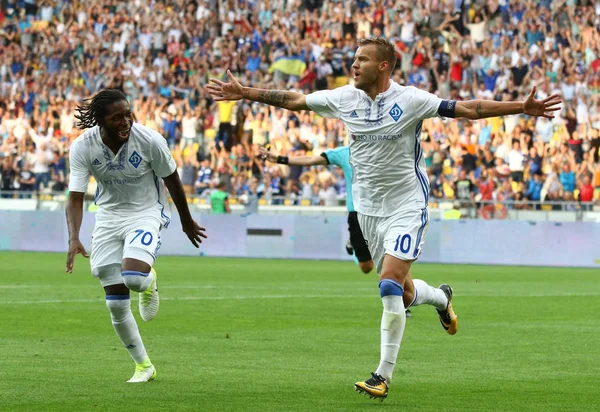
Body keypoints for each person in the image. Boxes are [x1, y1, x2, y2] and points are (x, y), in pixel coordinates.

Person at [206, 37, 561, 401]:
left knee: (389, 285)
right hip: (369, 211)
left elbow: (468, 108)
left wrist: (521, 106)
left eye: (362, 59)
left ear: (383, 66)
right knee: (403, 292)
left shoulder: (410, 100)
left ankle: (382, 376)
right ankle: (441, 298)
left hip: (407, 203)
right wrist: (244, 92)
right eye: (354, 59)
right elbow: (294, 100)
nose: (354, 65)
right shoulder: (344, 98)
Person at [65, 89, 207, 383]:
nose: (125, 121)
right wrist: (73, 237)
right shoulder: (82, 147)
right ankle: (144, 366)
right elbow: (75, 196)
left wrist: (186, 220)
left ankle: (149, 279)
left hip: (145, 212)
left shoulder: (150, 140)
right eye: (117, 117)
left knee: (133, 277)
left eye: (127, 113)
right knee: (115, 303)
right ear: (101, 121)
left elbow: (173, 180)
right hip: (107, 217)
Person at [258, 145, 374, 275]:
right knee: (366, 267)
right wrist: (280, 159)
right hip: (357, 212)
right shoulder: (344, 153)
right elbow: (310, 160)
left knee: (391, 261)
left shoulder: (384, 150)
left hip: (383, 212)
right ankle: (353, 244)